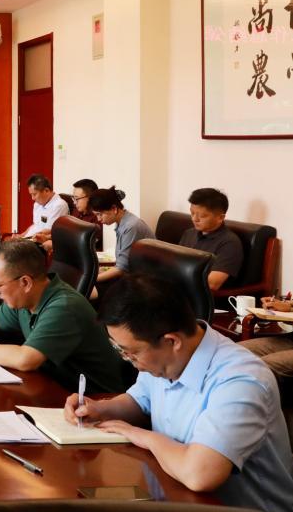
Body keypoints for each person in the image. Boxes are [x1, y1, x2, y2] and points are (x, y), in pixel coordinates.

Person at [64, 274, 293, 510]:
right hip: (176, 497)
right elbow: (139, 401)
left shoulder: (241, 381)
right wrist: (99, 409)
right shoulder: (165, 359)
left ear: (172, 341)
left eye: (131, 352)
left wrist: (143, 436)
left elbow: (200, 474)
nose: (128, 360)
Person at [0, 239, 128, 393]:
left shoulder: (64, 307)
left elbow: (26, 359)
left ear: (25, 282)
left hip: (96, 400)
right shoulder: (25, 299)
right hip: (55, 387)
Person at [178, 188, 243, 291]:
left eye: (202, 216)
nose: (194, 219)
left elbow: (212, 284)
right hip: (180, 288)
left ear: (220, 218)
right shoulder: (189, 233)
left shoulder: (230, 243)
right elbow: (176, 264)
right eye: (192, 213)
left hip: (202, 296)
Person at [89, 186, 153, 287]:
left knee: (91, 287)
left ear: (114, 209)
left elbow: (121, 269)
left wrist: (91, 280)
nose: (98, 219)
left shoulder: (131, 226)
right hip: (133, 275)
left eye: (100, 214)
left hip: (145, 281)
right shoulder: (122, 222)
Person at [20, 174, 69, 243]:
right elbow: (35, 225)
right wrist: (21, 236)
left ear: (46, 190)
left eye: (34, 194)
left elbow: (49, 231)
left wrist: (23, 240)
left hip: (41, 242)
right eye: (31, 194)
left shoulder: (59, 205)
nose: (32, 198)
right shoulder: (37, 204)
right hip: (30, 240)